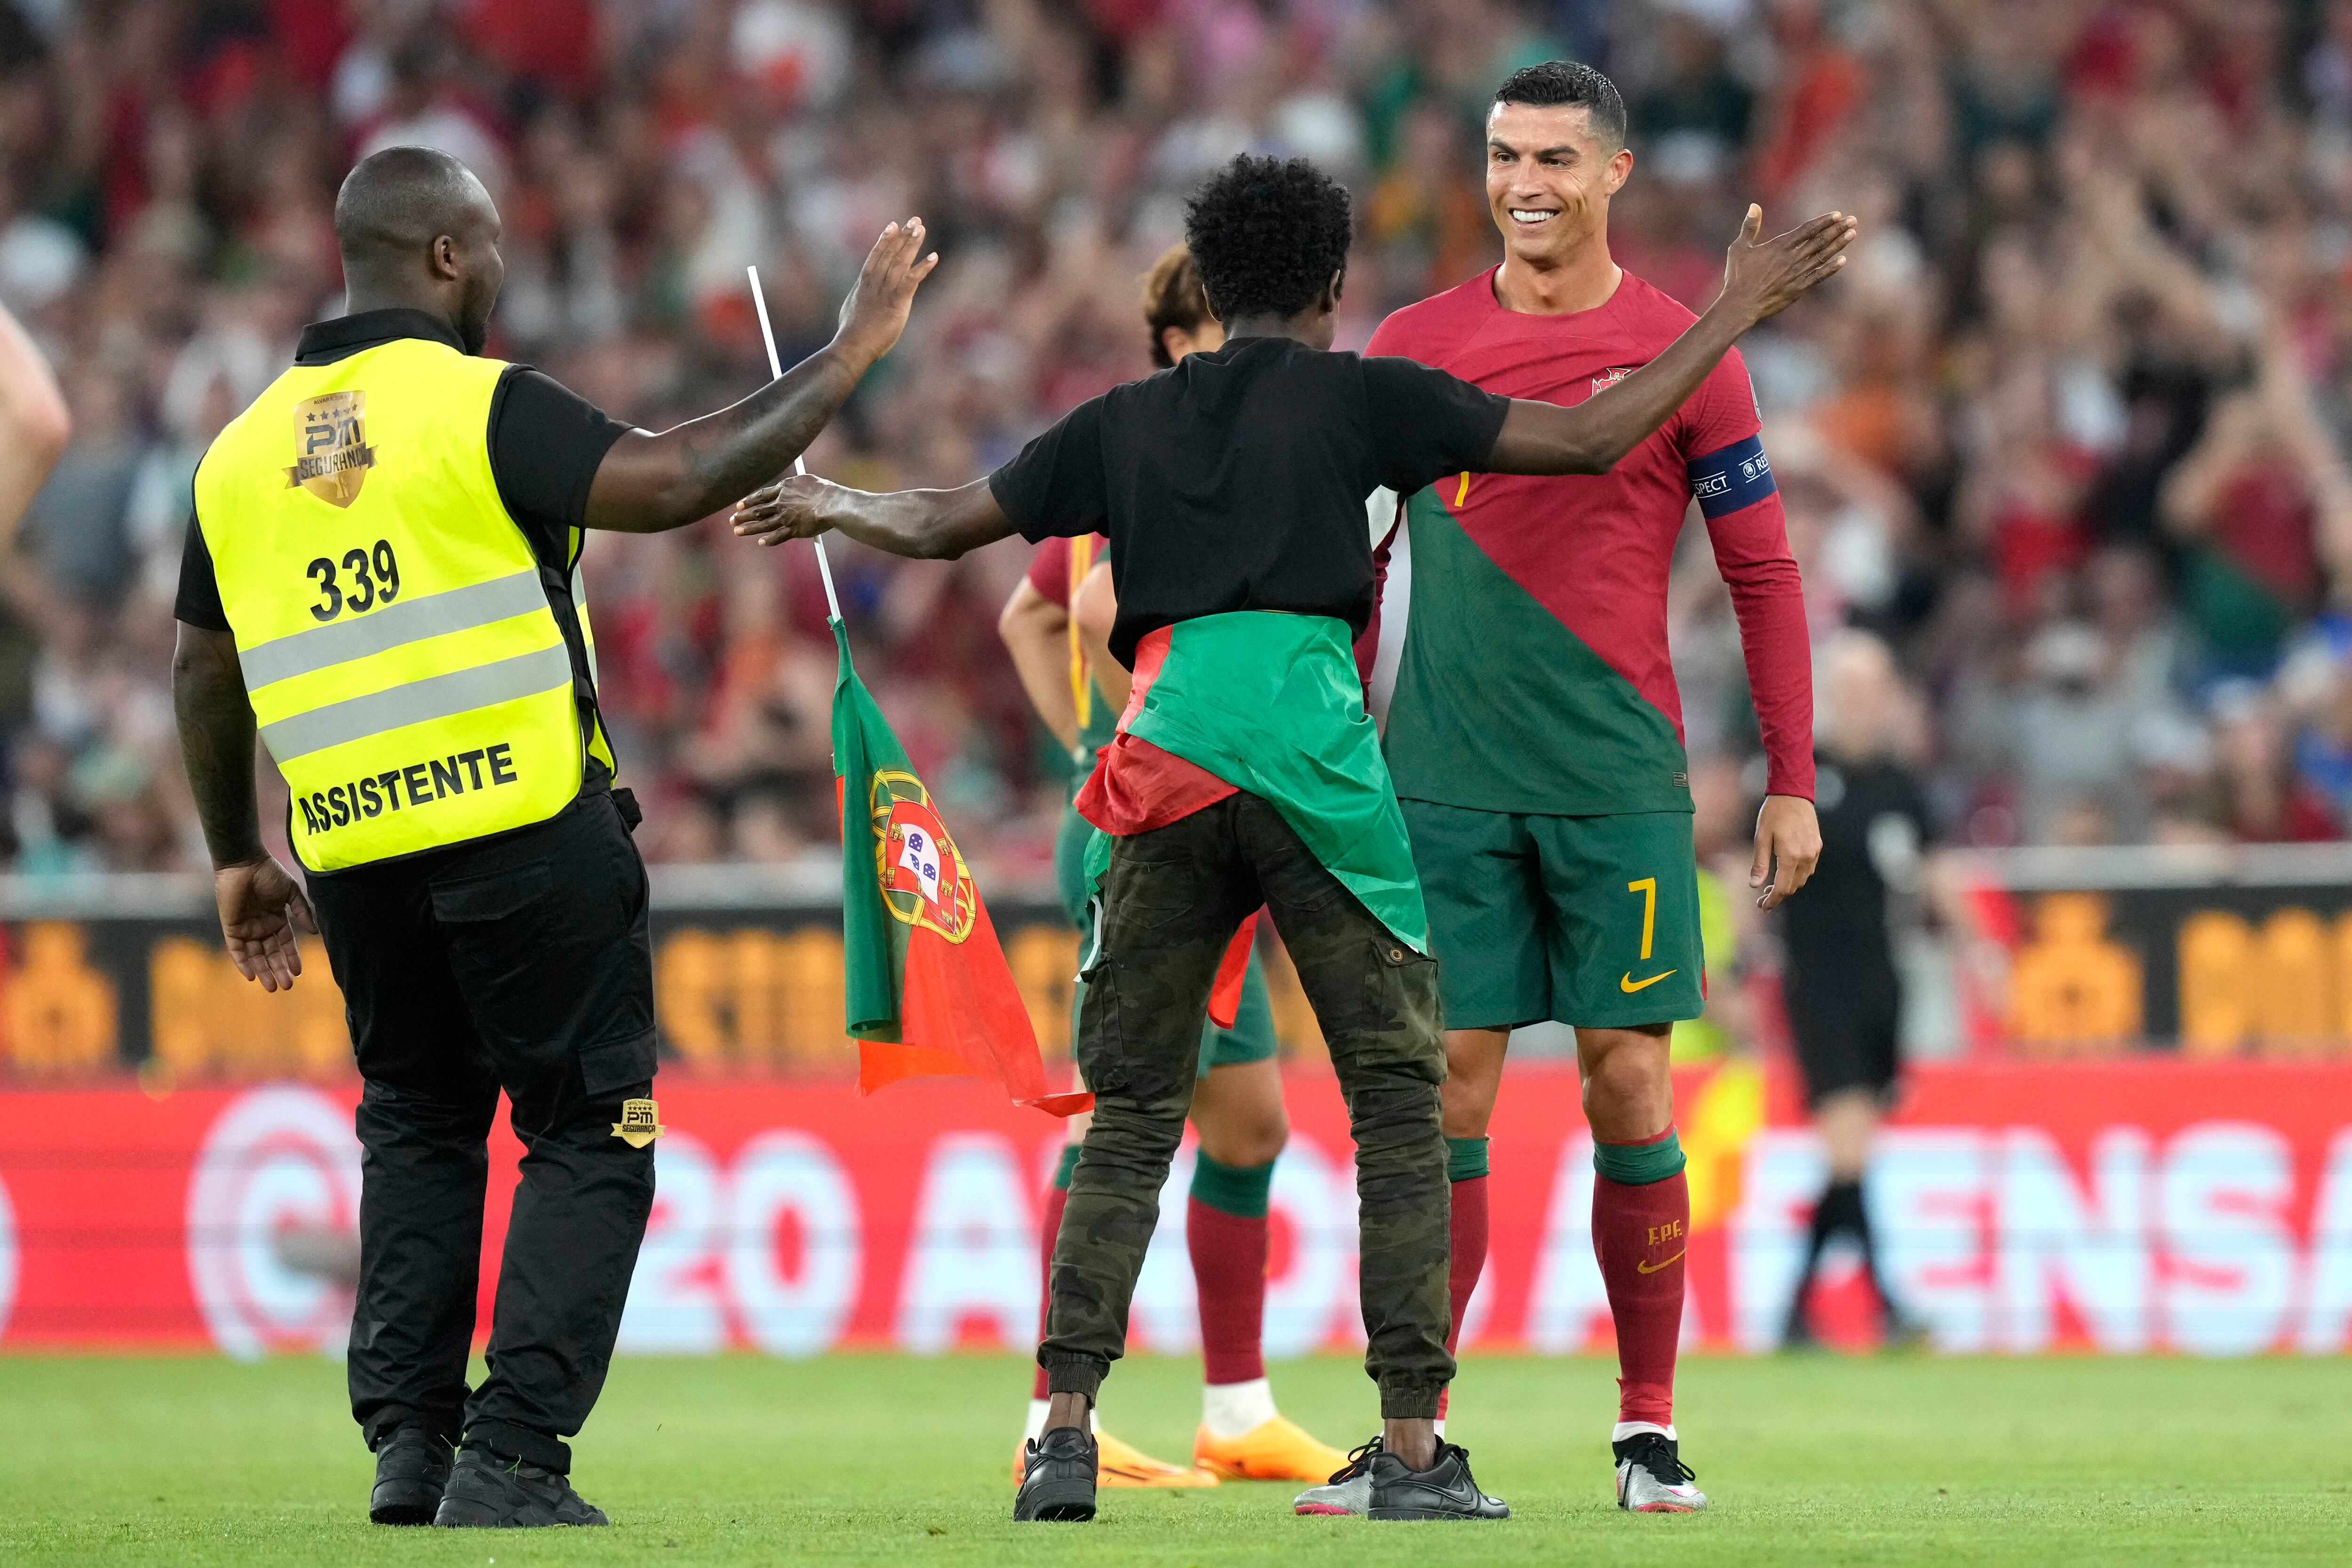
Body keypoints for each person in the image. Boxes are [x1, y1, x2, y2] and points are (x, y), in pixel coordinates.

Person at [731, 151, 1853, 1523]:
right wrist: (1727, 314)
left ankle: (1063, 1432)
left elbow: (945, 520)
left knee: (1133, 1111)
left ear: (1209, 280)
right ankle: (1415, 1453)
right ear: (1330, 285)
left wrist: (831, 500)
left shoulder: (1123, 419)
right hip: (1319, 767)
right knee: (1400, 1104)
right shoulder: (1371, 397)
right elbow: (1584, 438)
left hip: (1167, 761)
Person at [169, 145, 935, 1529]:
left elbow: (203, 668)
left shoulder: (234, 459)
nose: (507, 272)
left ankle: (410, 1450)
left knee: (417, 1121)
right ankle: (513, 1454)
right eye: (497, 249)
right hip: (524, 826)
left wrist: (236, 850)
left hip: (351, 856)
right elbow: (677, 476)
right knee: (591, 1126)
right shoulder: (479, 406)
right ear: (450, 256)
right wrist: (848, 355)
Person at [1351, 61, 1827, 1515]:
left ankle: (1646, 1429)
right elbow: (1354, 574)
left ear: (1617, 173)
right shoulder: (1411, 346)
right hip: (1441, 782)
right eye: (1504, 155)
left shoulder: (1689, 351)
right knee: (1448, 1091)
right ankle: (1416, 1433)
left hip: (1620, 780)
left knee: (1631, 1084)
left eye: (1558, 156)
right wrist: (1327, 760)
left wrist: (1791, 777)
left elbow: (1762, 570)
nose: (1526, 182)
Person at [996, 247, 1346, 1489]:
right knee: (1120, 1112)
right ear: (1185, 335)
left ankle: (1237, 1407)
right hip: (1156, 817)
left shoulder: (1139, 454)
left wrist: (1089, 735)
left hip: (1176, 812)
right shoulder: (1172, 458)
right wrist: (1117, 738)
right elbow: (1088, 610)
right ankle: (1051, 1417)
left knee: (1248, 1121)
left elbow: (1032, 612)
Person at [1779, 630, 1934, 1348]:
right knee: (1846, 1143)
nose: (1863, 703)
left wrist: (1981, 949)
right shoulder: (1795, 778)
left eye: (1874, 688)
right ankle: (1882, 1303)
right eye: (1850, 689)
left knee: (1854, 1152)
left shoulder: (1900, 784)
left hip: (1881, 980)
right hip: (1819, 981)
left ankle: (1800, 1309)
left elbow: (1933, 871)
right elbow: (1746, 870)